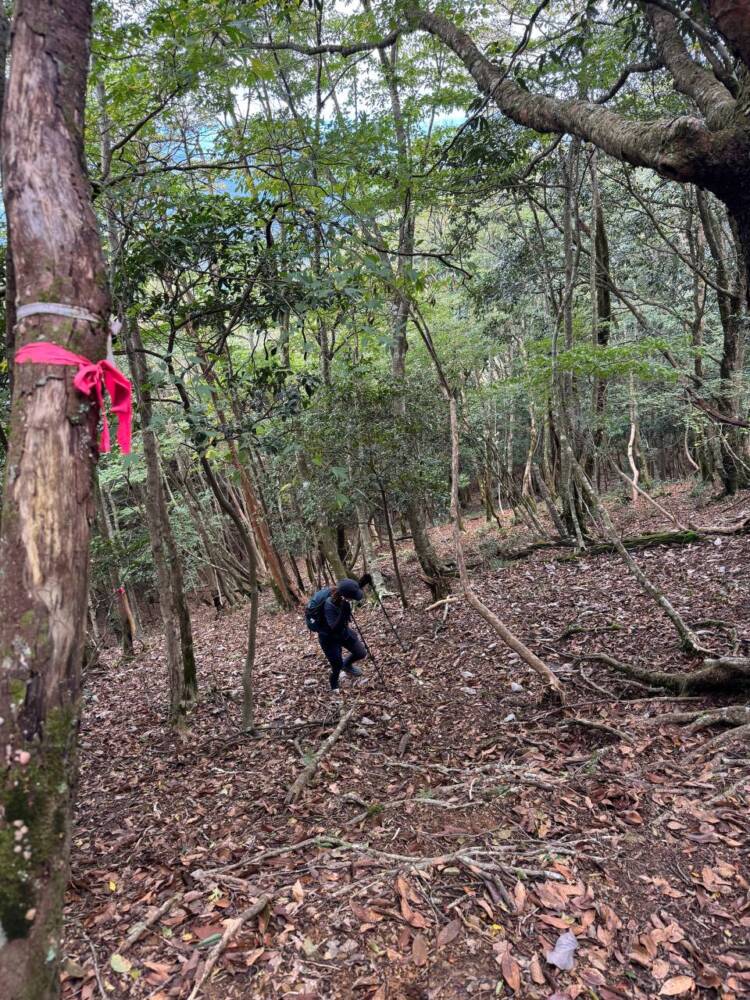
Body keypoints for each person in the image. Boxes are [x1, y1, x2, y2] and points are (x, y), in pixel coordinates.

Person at [306, 576, 371, 693]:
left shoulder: (342, 593)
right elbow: (335, 628)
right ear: (345, 596)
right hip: (328, 637)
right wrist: (343, 613)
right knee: (337, 665)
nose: (354, 599)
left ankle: (347, 665)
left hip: (343, 631)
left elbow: (350, 589)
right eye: (352, 597)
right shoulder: (329, 604)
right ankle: (334, 683)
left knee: (361, 653)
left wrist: (363, 582)